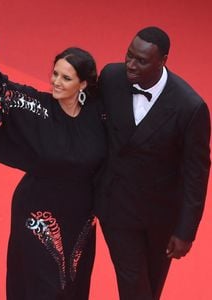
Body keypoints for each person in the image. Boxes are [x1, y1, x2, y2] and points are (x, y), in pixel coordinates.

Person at [0, 26, 106, 299]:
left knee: (72, 284)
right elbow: (0, 90)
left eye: (66, 77)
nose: (56, 82)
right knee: (40, 286)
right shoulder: (37, 107)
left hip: (80, 219)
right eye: (55, 73)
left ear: (83, 84)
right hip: (37, 216)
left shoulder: (99, 115)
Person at [96, 26, 211, 300]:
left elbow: (197, 172)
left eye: (141, 60)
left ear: (163, 61)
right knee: (133, 282)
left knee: (151, 286)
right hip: (116, 207)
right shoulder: (111, 77)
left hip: (161, 218)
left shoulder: (190, 107)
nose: (130, 64)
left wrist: (186, 230)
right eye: (129, 55)